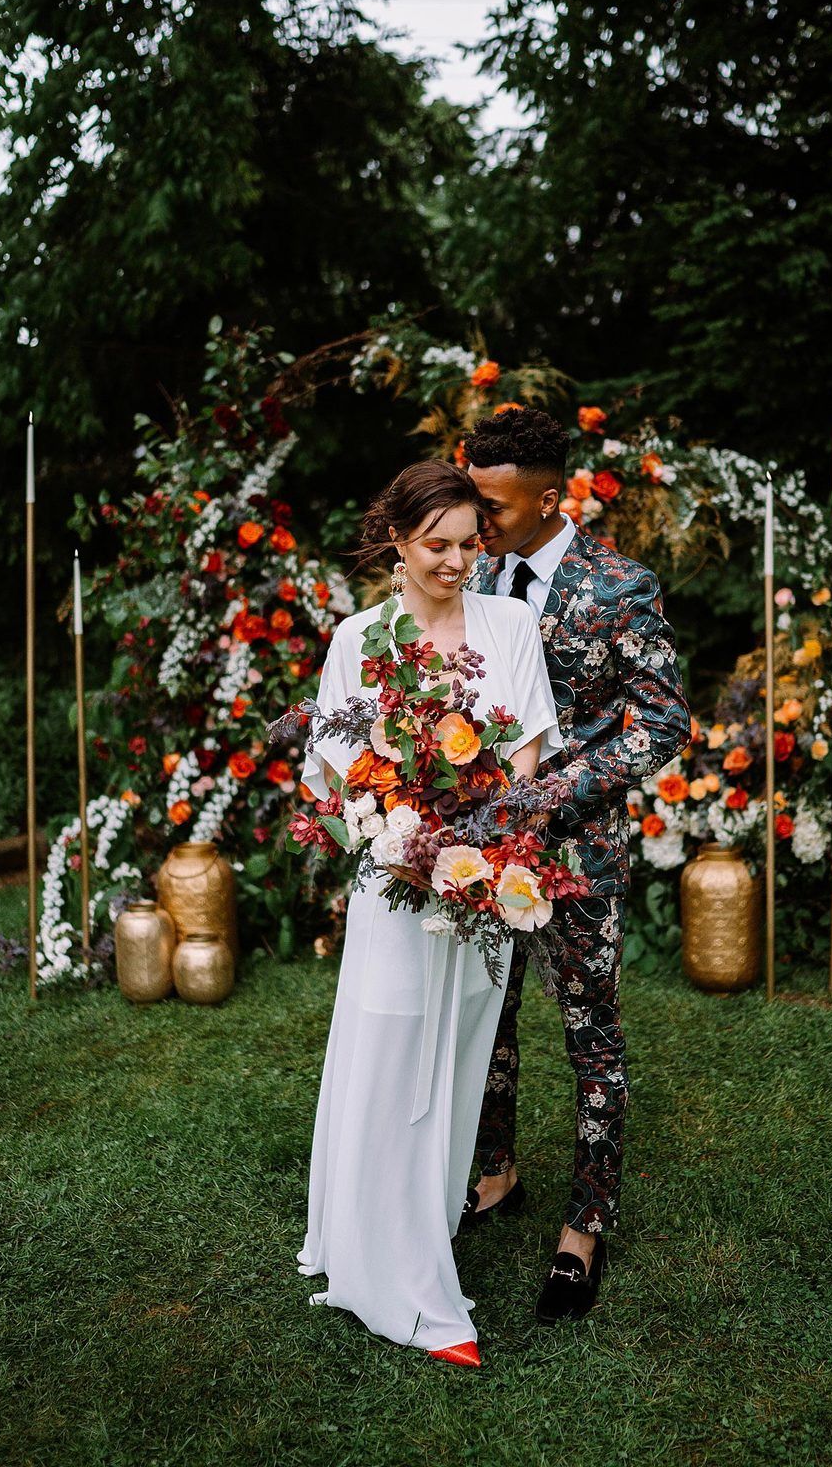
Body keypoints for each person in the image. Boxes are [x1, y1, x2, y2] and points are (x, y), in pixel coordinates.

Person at [296, 459, 563, 1367]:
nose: (458, 561)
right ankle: (395, 1284)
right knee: (390, 1059)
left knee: (453, 1064)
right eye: (436, 545)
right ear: (397, 542)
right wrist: (394, 840)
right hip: (391, 894)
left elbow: (526, 759)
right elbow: (331, 785)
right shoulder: (358, 640)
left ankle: (419, 1227)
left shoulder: (511, 624)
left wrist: (483, 859)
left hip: (480, 890)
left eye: (470, 542)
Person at [463, 407, 691, 1324]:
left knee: (589, 1032)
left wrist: (549, 793)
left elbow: (664, 722)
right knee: (489, 1019)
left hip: (580, 850)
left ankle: (586, 1223)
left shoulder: (620, 587)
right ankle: (495, 1171)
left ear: (551, 497)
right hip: (482, 847)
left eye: (496, 506)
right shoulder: (472, 573)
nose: (479, 524)